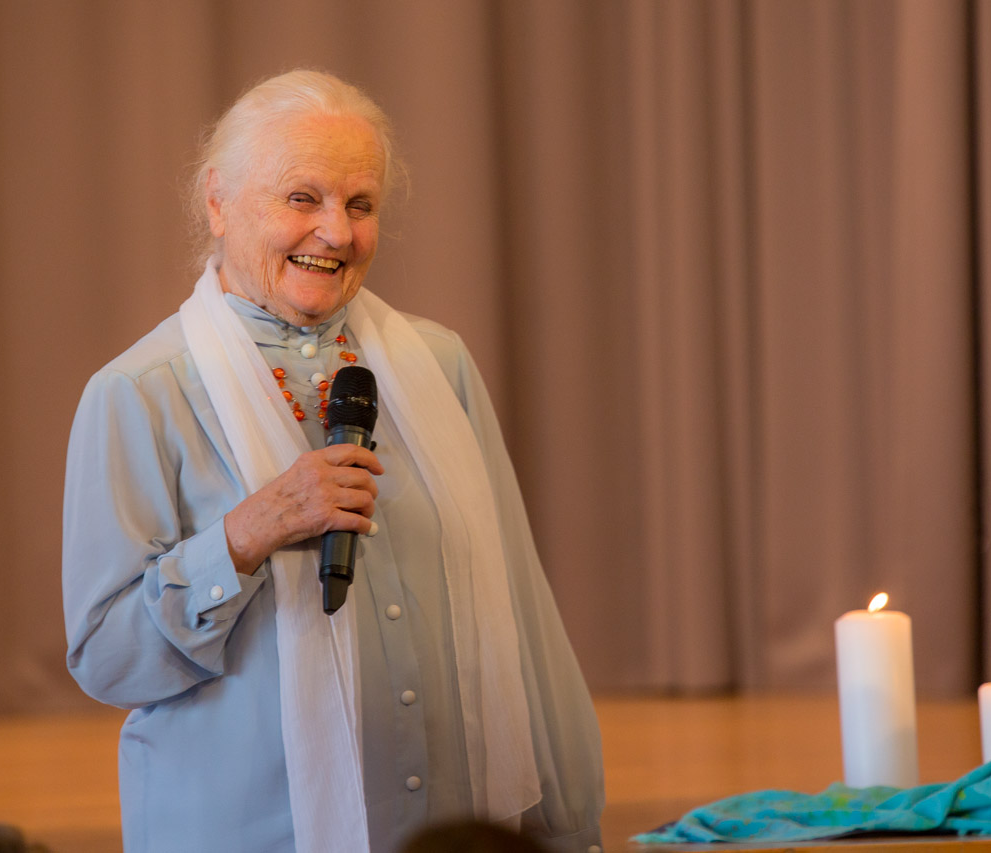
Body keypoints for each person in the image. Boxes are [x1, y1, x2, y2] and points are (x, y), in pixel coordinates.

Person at [62, 70, 604, 853]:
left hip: (446, 830)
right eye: (302, 198)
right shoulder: (140, 391)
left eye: (360, 205)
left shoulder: (437, 364)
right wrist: (246, 533)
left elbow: (522, 614)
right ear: (218, 202)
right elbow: (108, 660)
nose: (337, 233)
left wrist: (570, 826)